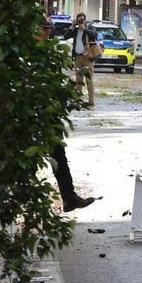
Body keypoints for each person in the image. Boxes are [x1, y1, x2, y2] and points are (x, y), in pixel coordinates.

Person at [40, 20, 96, 212]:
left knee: (58, 154)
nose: (47, 32)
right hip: (31, 114)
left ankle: (69, 197)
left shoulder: (47, 52)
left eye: (48, 29)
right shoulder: (28, 53)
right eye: (43, 28)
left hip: (47, 113)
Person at [70, 13, 98, 107]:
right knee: (78, 80)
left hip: (87, 58)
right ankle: (77, 99)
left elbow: (95, 35)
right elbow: (66, 36)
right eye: (79, 20)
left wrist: (85, 29)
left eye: (82, 20)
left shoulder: (89, 27)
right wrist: (72, 26)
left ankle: (91, 101)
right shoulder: (75, 30)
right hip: (77, 57)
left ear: (85, 20)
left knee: (89, 80)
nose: (80, 22)